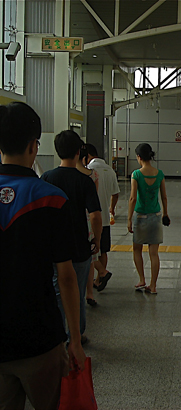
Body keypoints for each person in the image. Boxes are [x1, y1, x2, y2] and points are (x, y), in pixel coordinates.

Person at [0, 102, 85, 409]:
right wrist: (74, 340)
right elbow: (66, 277)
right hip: (40, 338)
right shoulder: (51, 199)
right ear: (34, 145)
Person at [42, 131, 102, 345]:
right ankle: (77, 334)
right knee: (76, 292)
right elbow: (95, 215)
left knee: (56, 290)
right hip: (78, 247)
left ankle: (58, 332)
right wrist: (96, 239)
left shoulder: (47, 178)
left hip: (51, 248)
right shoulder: (84, 181)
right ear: (79, 152)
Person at [127, 143, 169, 294]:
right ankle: (153, 285)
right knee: (154, 253)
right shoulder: (159, 174)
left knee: (137, 250)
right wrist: (165, 213)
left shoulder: (136, 175)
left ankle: (141, 279)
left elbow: (132, 198)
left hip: (141, 216)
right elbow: (164, 196)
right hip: (156, 216)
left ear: (139, 157)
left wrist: (129, 219)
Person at [83, 143, 120, 291]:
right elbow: (115, 194)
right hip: (105, 218)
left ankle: (100, 274)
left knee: (90, 250)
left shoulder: (89, 171)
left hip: (91, 217)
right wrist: (111, 208)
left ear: (88, 156)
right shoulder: (110, 170)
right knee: (103, 250)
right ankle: (99, 279)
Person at [77, 146, 100, 307]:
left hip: (67, 225)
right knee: (91, 260)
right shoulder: (92, 176)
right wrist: (97, 239)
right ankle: (89, 294)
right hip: (87, 222)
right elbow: (94, 209)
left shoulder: (51, 176)